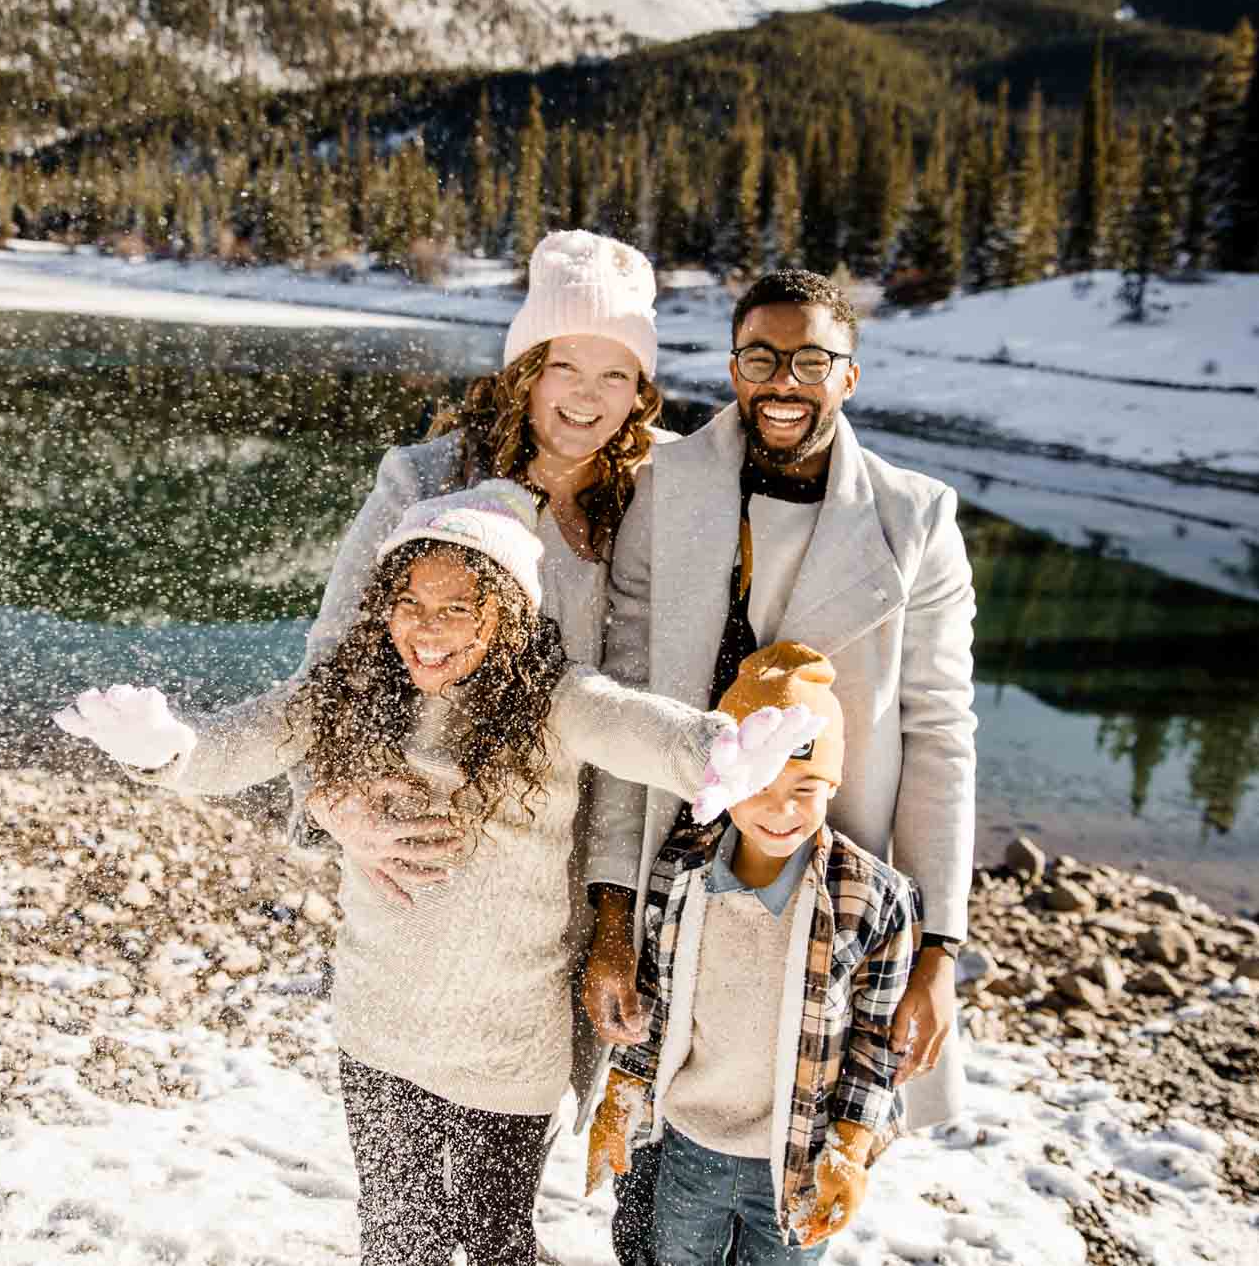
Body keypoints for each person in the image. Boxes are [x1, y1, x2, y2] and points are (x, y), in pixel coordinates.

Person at [54, 482, 822, 1266]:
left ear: (509, 614)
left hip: (507, 1044)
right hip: (382, 1027)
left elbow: (629, 723)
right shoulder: (346, 694)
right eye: (411, 603)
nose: (426, 629)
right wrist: (165, 750)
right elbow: (233, 745)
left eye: (459, 608)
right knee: (396, 1239)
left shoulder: (552, 701)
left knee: (496, 1244)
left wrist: (711, 749)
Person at [579, 268, 978, 1264]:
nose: (783, 380)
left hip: (824, 882)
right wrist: (613, 912)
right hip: (681, 879)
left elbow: (939, 734)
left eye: (810, 360)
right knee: (646, 1191)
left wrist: (939, 947)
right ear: (731, 368)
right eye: (761, 358)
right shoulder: (665, 488)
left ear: (848, 375)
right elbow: (625, 711)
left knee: (801, 1154)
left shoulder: (915, 518)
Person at [299, 227, 668, 904]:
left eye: (615, 374)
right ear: (527, 369)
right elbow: (330, 657)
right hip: (444, 842)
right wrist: (336, 801)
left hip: (602, 858)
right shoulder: (427, 477)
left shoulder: (656, 487)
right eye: (565, 368)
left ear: (639, 389)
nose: (588, 397)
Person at [585, 642, 914, 1264]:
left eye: (806, 787)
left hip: (797, 1161)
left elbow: (878, 1038)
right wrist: (622, 1094)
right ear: (723, 776)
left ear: (835, 783)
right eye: (759, 783)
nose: (782, 810)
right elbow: (653, 994)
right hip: (689, 1146)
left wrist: (851, 1146)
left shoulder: (871, 898)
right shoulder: (682, 870)